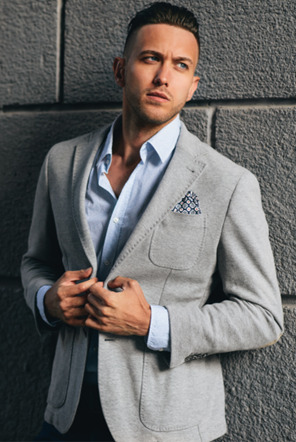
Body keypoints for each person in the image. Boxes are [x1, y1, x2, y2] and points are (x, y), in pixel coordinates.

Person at [21, 2, 283, 441]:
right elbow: (35, 262)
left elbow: (263, 316)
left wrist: (151, 323)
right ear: (121, 70)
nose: (164, 76)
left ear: (192, 85)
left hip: (167, 426)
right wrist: (47, 300)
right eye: (150, 59)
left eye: (181, 65)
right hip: (65, 415)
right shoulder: (62, 162)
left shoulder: (228, 182)